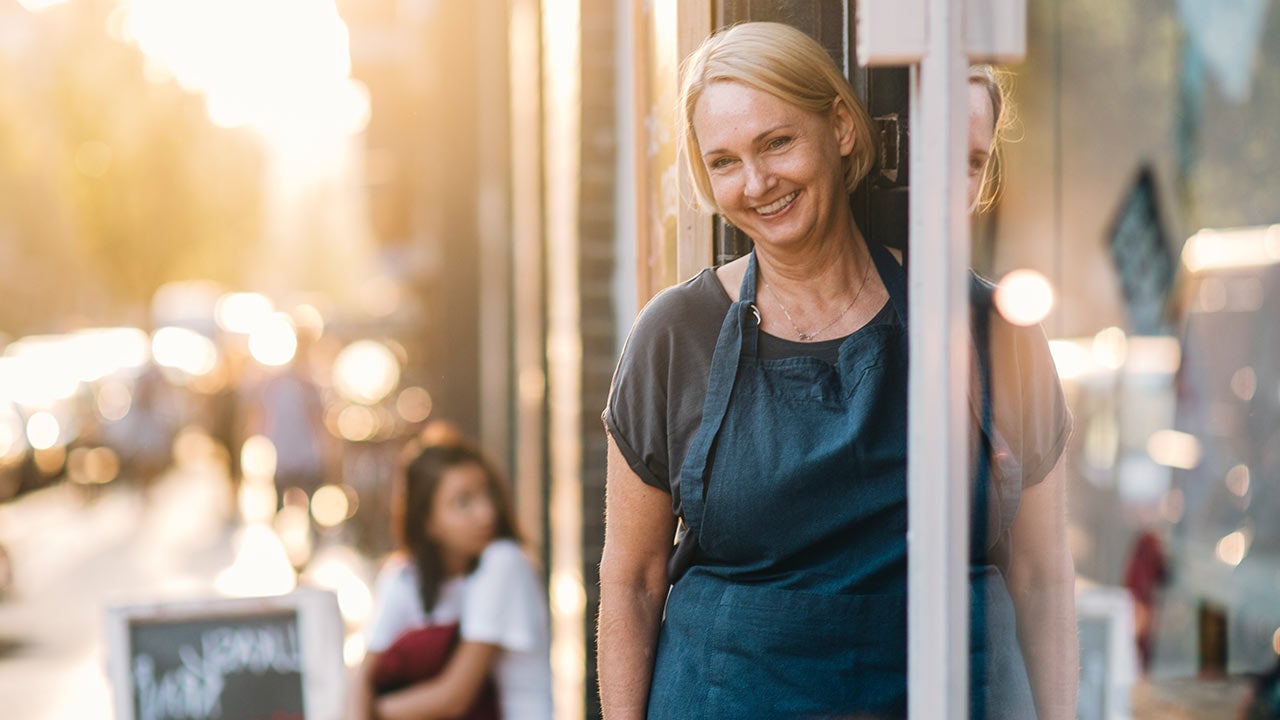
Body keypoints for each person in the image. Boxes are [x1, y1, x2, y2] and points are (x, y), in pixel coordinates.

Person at [598, 22, 1076, 720]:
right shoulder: (675, 335)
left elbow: (1041, 577)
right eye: (725, 161)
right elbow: (632, 582)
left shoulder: (988, 327)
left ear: (843, 128)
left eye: (777, 142)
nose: (757, 183)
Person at [354, 429, 553, 720]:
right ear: (428, 522)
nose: (486, 513)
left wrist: (372, 711)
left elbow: (454, 698)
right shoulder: (403, 578)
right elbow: (362, 675)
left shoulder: (504, 562)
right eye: (464, 502)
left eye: (487, 493)